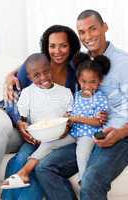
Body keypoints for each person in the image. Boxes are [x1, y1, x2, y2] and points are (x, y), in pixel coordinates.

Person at [33, 9, 128, 200]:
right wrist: (12, 74)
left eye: (92, 29)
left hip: (118, 136)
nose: (88, 36)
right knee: (44, 168)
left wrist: (121, 132)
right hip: (85, 132)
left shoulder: (123, 62)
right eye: (82, 32)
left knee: (91, 179)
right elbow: (47, 63)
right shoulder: (80, 61)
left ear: (105, 27)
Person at [1, 54, 110, 190]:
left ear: (99, 81)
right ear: (78, 80)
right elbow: (70, 115)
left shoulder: (99, 98)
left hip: (87, 135)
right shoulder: (76, 95)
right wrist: (68, 119)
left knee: (82, 153)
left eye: (92, 82)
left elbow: (98, 122)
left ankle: (85, 182)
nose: (87, 86)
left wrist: (74, 119)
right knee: (48, 144)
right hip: (74, 132)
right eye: (84, 81)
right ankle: (24, 173)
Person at [1, 25, 81, 200]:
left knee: (40, 162)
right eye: (52, 46)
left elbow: (74, 111)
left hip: (60, 136)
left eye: (63, 45)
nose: (57, 51)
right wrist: (20, 123)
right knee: (21, 157)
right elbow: (18, 100)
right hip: (34, 133)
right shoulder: (35, 69)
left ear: (71, 47)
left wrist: (68, 125)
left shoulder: (76, 75)